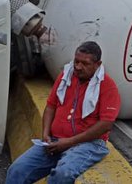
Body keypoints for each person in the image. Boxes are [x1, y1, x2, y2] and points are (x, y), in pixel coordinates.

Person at [6, 41, 121, 184]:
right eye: (76, 61)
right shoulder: (65, 76)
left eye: (85, 64)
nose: (78, 67)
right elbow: (50, 106)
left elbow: (106, 124)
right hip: (56, 141)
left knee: (62, 175)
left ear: (98, 64)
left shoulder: (107, 86)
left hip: (88, 144)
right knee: (17, 170)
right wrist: (46, 135)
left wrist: (68, 142)